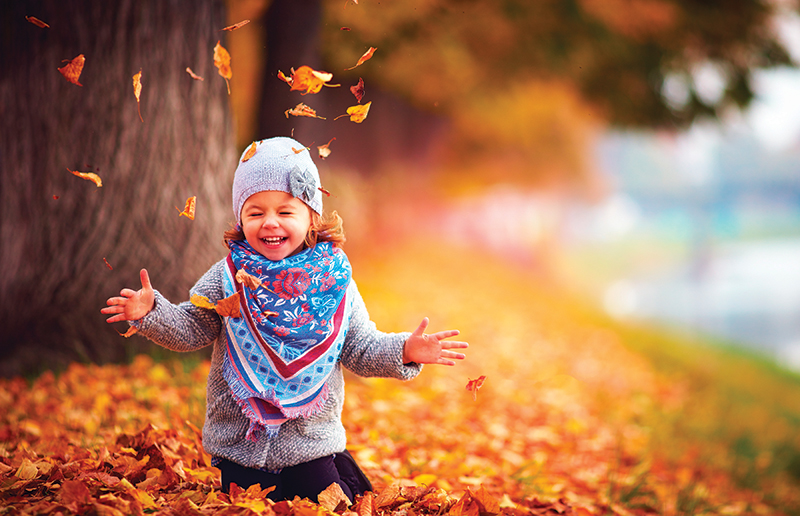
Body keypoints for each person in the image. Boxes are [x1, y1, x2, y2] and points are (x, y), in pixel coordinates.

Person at [101, 136, 468, 502]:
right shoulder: (227, 278)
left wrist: (406, 349)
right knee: (245, 505)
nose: (270, 223)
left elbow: (360, 347)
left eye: (285, 212)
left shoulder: (334, 281)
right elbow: (193, 329)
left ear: (311, 216)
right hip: (238, 448)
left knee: (329, 501)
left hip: (308, 444)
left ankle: (338, 470)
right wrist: (151, 313)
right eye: (256, 212)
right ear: (240, 218)